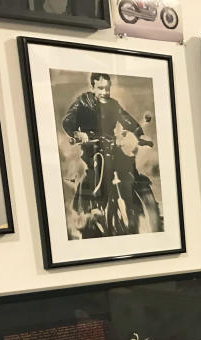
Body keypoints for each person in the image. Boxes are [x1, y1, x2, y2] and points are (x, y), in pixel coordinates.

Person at [61, 72, 147, 237]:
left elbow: (127, 120)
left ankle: (138, 202)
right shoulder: (83, 102)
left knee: (127, 164)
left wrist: (137, 134)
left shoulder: (113, 104)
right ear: (92, 87)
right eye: (100, 88)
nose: (104, 92)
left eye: (107, 88)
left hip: (111, 144)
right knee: (96, 166)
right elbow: (68, 120)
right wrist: (77, 134)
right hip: (91, 145)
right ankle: (91, 207)